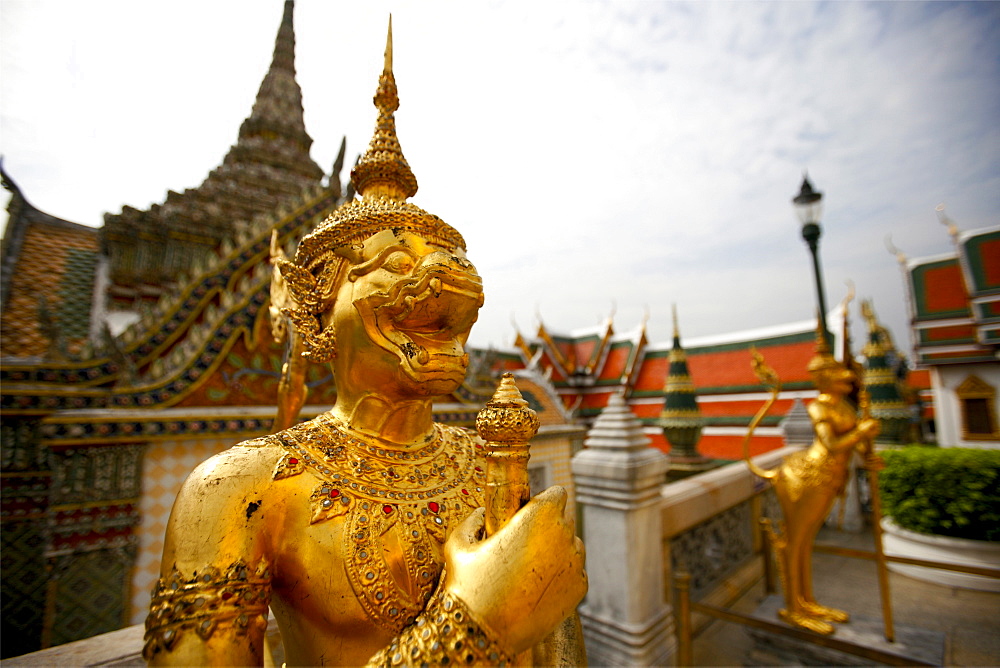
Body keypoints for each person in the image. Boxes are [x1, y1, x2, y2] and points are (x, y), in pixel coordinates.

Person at [143, 24, 587, 667]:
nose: (439, 272)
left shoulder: (485, 463)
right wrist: (469, 633)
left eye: (444, 257)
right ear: (320, 304)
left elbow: (552, 649)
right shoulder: (240, 490)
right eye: (395, 260)